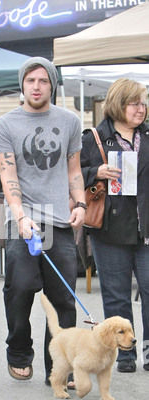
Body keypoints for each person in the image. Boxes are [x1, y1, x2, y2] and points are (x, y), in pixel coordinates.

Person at [0, 57, 86, 384]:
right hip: (24, 220)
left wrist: (81, 204)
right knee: (20, 287)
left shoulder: (70, 121)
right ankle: (18, 349)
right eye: (30, 80)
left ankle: (59, 368)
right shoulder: (6, 125)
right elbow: (8, 176)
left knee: (63, 299)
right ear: (22, 84)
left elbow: (73, 170)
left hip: (60, 220)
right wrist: (20, 216)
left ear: (52, 85)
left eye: (43, 81)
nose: (36, 86)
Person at [80, 78, 149, 373]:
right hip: (109, 229)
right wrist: (96, 170)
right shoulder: (94, 137)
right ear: (119, 105)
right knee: (116, 293)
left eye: (144, 103)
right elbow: (72, 174)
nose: (141, 109)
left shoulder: (147, 136)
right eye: (135, 103)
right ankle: (124, 354)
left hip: (145, 228)